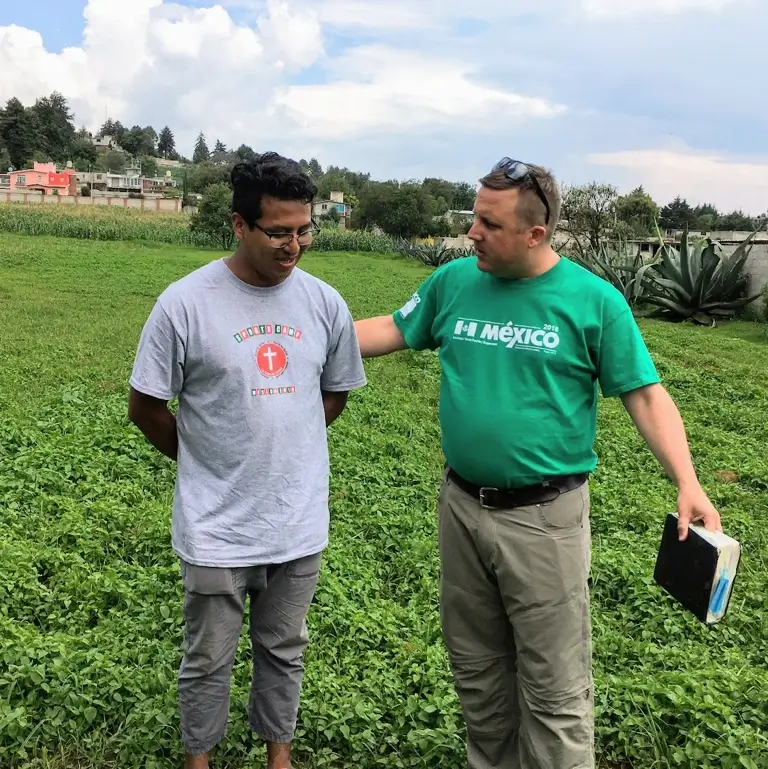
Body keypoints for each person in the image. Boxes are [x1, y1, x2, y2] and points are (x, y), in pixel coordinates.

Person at [353, 157, 722, 769]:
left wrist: (686, 480)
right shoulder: (455, 283)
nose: (472, 233)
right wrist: (301, 333)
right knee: (477, 671)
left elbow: (645, 394)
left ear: (536, 234)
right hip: (461, 508)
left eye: (489, 224)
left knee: (554, 688)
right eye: (474, 217)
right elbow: (392, 329)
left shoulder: (593, 301)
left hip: (543, 520)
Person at [127, 152, 367, 769]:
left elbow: (333, 391)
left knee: (285, 649)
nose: (294, 245)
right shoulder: (186, 304)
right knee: (207, 658)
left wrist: (287, 445)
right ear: (239, 225)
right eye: (279, 231)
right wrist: (204, 458)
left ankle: (277, 757)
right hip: (216, 525)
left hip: (297, 520)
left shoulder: (324, 303)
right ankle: (198, 759)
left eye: (304, 229)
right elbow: (147, 406)